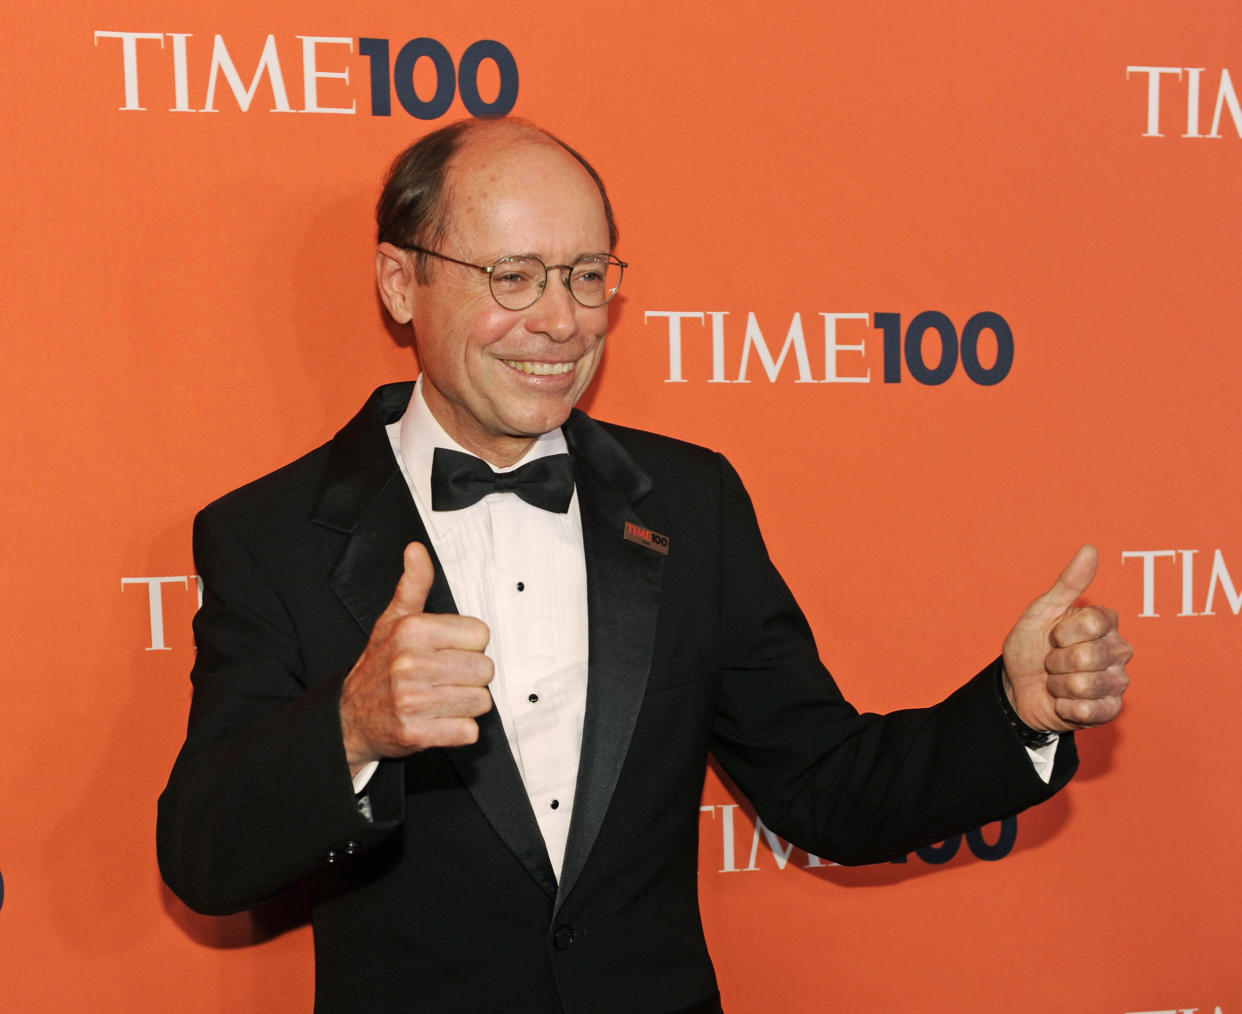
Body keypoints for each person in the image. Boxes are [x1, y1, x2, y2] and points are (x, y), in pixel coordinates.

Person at [157, 118, 1131, 1014]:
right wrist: (355, 725)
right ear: (402, 283)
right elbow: (204, 856)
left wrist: (1016, 712)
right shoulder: (272, 534)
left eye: (587, 276)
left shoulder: (689, 501)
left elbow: (825, 787)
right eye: (513, 276)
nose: (562, 320)